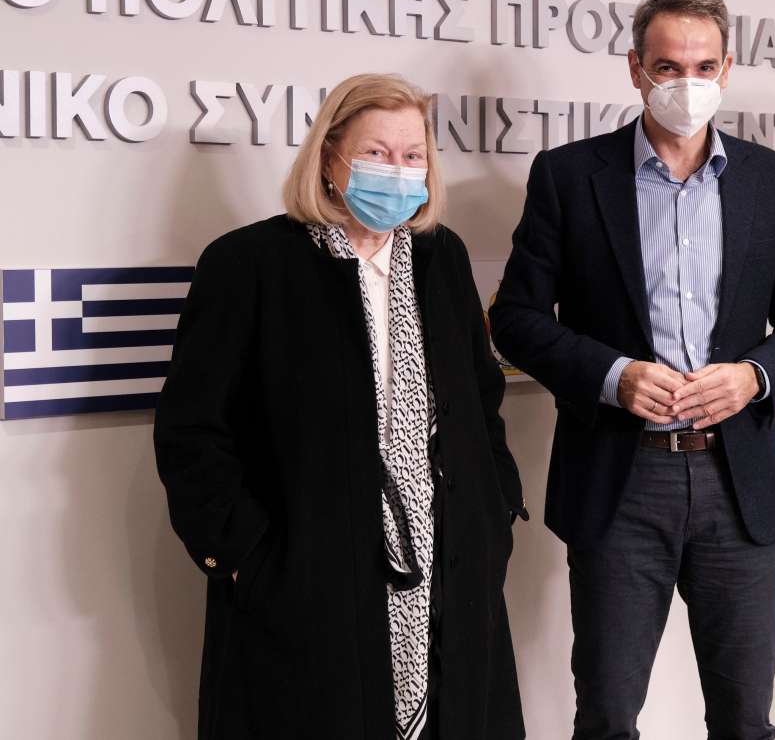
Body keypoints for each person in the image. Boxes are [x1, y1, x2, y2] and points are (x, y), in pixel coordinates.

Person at [490, 0, 775, 740]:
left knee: (746, 720)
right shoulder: (569, 176)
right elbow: (514, 319)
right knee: (608, 716)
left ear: (727, 69)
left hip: (736, 480)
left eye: (704, 67)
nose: (688, 83)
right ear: (636, 69)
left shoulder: (770, 179)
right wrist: (614, 377)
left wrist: (753, 376)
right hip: (621, 480)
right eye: (669, 67)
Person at [154, 73, 527, 740]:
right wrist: (249, 559)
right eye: (376, 153)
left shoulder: (441, 257)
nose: (398, 170)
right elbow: (192, 432)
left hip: (446, 577)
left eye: (412, 155)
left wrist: (494, 512)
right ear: (329, 158)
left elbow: (481, 400)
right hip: (307, 586)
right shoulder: (250, 264)